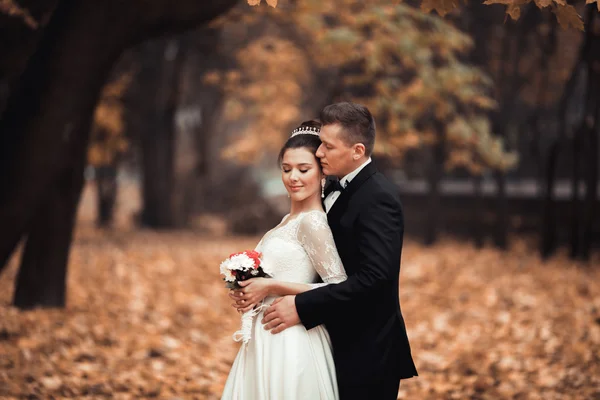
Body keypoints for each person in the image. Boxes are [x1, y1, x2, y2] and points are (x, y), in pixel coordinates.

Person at [257, 102, 418, 400]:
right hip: (327, 342)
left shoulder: (378, 197)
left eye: (328, 147)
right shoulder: (332, 189)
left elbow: (374, 278)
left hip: (367, 352)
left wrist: (303, 305)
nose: (319, 152)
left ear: (357, 151)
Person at [222, 120, 347, 400]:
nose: (293, 177)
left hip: (294, 341)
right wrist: (248, 292)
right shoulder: (285, 221)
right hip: (265, 339)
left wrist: (270, 287)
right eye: (286, 169)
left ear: (322, 173)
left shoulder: (313, 223)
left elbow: (339, 288)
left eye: (304, 169)